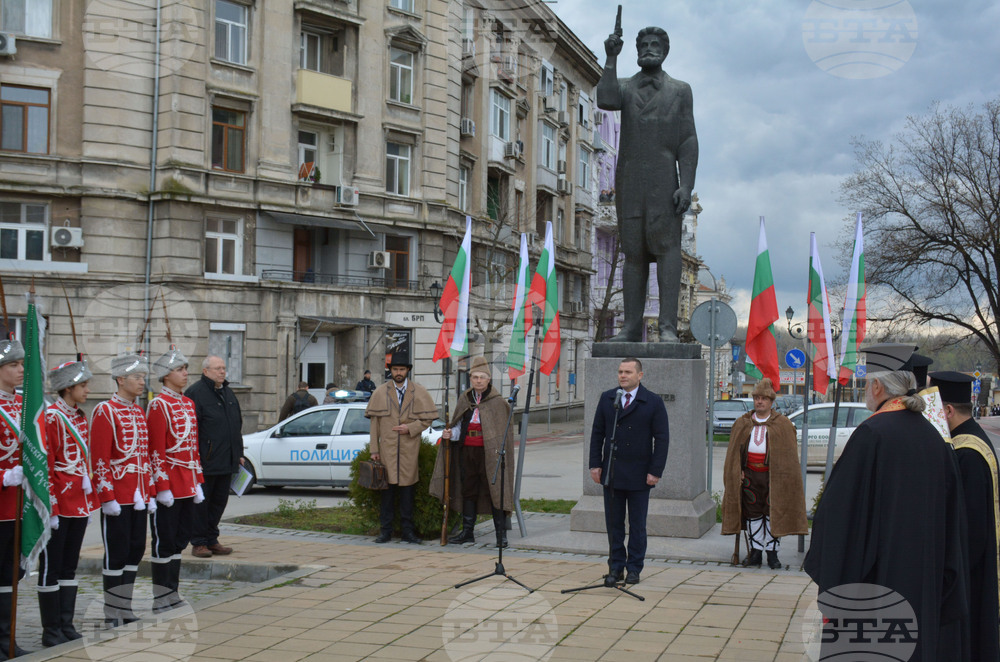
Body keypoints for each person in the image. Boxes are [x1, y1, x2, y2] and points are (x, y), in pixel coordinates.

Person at [805, 346, 969, 661]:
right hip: (922, 596)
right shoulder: (936, 440)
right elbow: (954, 528)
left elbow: (839, 521)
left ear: (878, 387)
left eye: (867, 383)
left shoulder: (872, 435)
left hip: (873, 599)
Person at [597, 23, 698, 342]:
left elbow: (688, 138)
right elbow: (605, 98)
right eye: (643, 46)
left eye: (655, 45)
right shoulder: (625, 87)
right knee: (634, 253)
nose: (648, 49)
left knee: (668, 250)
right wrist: (611, 58)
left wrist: (687, 184)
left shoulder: (680, 90)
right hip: (630, 181)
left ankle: (667, 326)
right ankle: (630, 327)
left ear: (665, 51)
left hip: (665, 180)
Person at [929, 370, 1000, 661]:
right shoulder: (972, 439)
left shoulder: (966, 453)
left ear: (947, 410)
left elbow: (970, 529)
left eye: (935, 410)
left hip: (972, 575)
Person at [589, 357, 669, 585]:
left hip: (639, 473)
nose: (623, 376)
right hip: (612, 471)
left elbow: (662, 439)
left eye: (628, 372)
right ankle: (615, 567)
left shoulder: (652, 401)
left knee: (637, 525)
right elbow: (597, 433)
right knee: (613, 524)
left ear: (640, 375)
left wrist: (655, 470)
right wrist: (595, 463)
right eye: (620, 372)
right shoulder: (608, 398)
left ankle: (634, 567)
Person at [37, 359, 99, 646]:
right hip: (59, 502)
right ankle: (51, 631)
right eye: (83, 385)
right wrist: (52, 508)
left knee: (69, 566)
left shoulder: (79, 416)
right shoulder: (52, 417)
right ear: (68, 387)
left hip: (78, 502)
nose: (87, 390)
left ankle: (66, 623)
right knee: (52, 565)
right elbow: (48, 465)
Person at [91, 352, 155, 626]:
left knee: (134, 550)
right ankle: (112, 611)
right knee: (116, 553)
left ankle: (125, 609)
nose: (142, 382)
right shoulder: (105, 410)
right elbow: (100, 459)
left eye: (143, 377)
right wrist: (107, 497)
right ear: (120, 379)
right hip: (118, 497)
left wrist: (150, 493)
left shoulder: (138, 411)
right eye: (136, 377)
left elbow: (144, 457)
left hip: (139, 496)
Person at [721, 378, 808, 570]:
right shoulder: (743, 423)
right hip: (750, 477)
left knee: (771, 513)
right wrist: (738, 472)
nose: (759, 401)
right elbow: (734, 453)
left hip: (773, 478)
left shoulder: (783, 424)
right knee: (753, 514)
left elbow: (788, 456)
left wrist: (783, 476)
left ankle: (772, 553)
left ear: (771, 402)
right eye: (757, 398)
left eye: (764, 399)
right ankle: (755, 553)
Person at [430, 356, 513, 548]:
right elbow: (460, 426)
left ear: (488, 379)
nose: (478, 380)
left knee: (495, 491)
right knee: (469, 491)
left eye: (482, 377)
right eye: (475, 377)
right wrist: (450, 434)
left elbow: (503, 433)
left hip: (489, 454)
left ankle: (501, 535)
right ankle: (468, 532)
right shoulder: (465, 399)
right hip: (467, 452)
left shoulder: (497, 402)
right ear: (471, 379)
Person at [147, 348, 204, 612]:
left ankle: (173, 592)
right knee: (165, 539)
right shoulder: (159, 404)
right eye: (180, 369)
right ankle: (161, 596)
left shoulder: (188, 403)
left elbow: (193, 447)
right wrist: (162, 487)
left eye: (185, 369)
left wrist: (197, 481)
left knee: (181, 538)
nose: (185, 374)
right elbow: (156, 449)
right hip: (168, 483)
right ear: (166, 375)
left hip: (187, 483)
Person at [365, 355, 439, 544]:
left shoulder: (419, 392)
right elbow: (374, 424)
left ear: (407, 371)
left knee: (407, 494)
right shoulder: (380, 392)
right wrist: (374, 449)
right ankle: (385, 532)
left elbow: (427, 419)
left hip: (409, 451)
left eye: (402, 369)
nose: (398, 373)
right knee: (386, 494)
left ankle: (408, 532)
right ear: (391, 371)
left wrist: (411, 428)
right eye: (395, 369)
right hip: (386, 452)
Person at [185, 356, 243, 558]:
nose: (222, 372)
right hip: (205, 461)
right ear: (205, 371)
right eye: (217, 368)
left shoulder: (227, 392)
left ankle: (212, 538)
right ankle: (199, 542)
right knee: (202, 504)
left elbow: (236, 424)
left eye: (224, 368)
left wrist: (239, 453)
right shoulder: (195, 393)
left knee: (219, 502)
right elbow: (191, 430)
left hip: (227, 460)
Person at [0, 333, 27, 657]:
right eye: (15, 365)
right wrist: (4, 475)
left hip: (19, 506)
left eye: (22, 364)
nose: (22, 370)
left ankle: (7, 638)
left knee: (12, 572)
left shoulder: (24, 405)